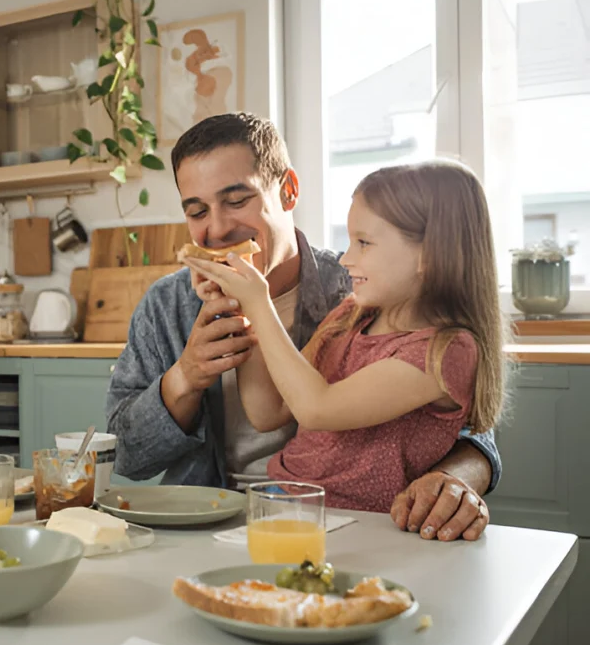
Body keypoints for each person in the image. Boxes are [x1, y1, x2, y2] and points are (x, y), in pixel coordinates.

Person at [106, 113, 501, 541]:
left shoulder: (361, 291)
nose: (216, 229)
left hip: (354, 524)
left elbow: (469, 425)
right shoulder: (167, 305)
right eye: (198, 211)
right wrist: (184, 378)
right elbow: (125, 458)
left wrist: (457, 478)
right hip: (209, 519)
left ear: (289, 190)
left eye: (237, 201)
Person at [184, 160, 507, 514]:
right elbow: (268, 410)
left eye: (364, 243)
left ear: (429, 254)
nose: (346, 258)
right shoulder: (351, 316)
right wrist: (238, 307)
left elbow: (316, 408)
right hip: (283, 504)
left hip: (361, 524)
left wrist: (258, 302)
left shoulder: (444, 353)